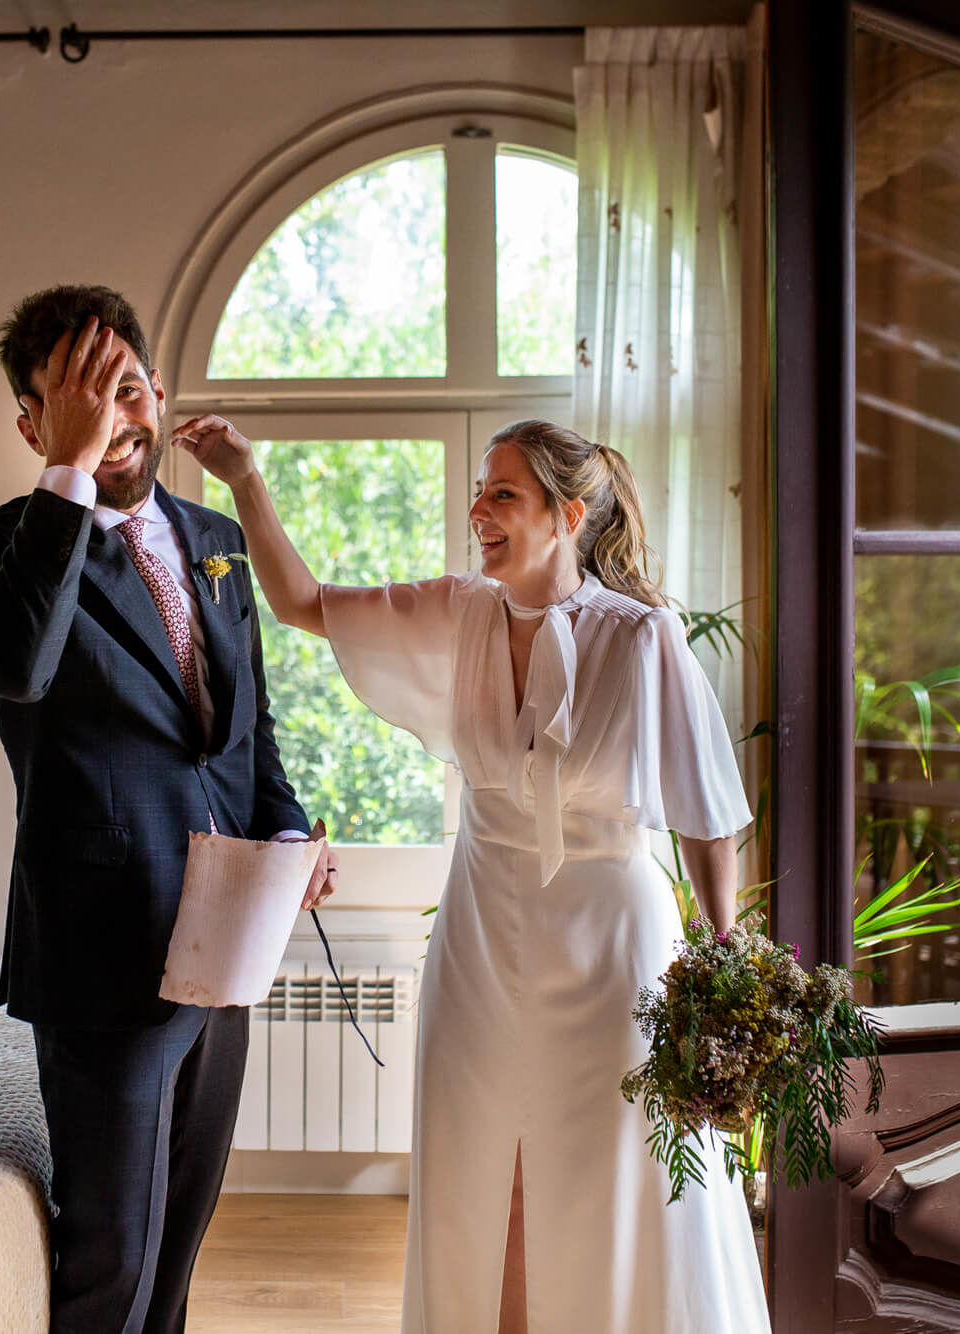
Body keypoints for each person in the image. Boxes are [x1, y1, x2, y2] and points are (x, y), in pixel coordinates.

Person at [171, 414, 770, 1333]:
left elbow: (707, 811)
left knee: (613, 1174)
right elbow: (300, 601)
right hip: (484, 930)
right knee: (490, 1173)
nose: (477, 511)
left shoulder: (644, 638)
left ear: (569, 515)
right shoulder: (457, 610)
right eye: (478, 492)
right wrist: (246, 477)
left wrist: (726, 950)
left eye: (503, 495)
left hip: (615, 943)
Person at [0, 285, 334, 1334]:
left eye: (122, 389)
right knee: (108, 1260)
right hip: (102, 955)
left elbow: (246, 724)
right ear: (31, 423)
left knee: (176, 1248)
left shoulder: (212, 535)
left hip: (225, 937)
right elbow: (18, 668)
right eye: (73, 402)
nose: (111, 417)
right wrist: (67, 472)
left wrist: (286, 833)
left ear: (156, 393)